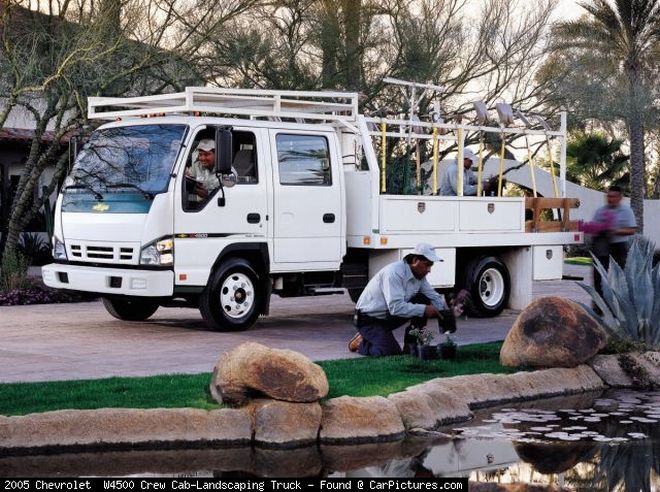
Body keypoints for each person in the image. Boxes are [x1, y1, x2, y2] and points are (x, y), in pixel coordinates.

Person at [348, 243, 463, 356]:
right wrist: (424, 310)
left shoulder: (419, 277)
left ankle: (411, 345)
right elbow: (396, 308)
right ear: (414, 260)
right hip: (368, 319)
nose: (429, 270)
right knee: (390, 352)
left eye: (431, 265)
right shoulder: (394, 273)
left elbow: (433, 296)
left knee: (423, 299)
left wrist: (445, 311)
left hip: (387, 316)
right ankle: (362, 343)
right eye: (427, 264)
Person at [581, 185, 637, 297]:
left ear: (620, 197)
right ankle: (599, 306)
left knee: (618, 277)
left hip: (619, 247)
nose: (610, 199)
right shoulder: (600, 211)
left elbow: (632, 230)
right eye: (608, 196)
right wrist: (594, 229)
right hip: (601, 246)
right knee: (599, 276)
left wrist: (614, 231)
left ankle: (618, 306)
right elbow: (593, 227)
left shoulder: (626, 211)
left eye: (614, 196)